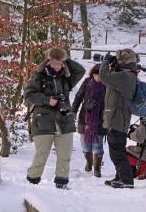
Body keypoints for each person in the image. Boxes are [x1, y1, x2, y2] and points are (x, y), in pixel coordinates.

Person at [25, 47, 85, 189]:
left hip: (64, 121)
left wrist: (65, 58)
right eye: (54, 63)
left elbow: (81, 70)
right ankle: (32, 184)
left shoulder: (67, 78)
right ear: (48, 62)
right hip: (43, 122)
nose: (57, 66)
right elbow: (28, 95)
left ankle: (61, 183)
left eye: (60, 63)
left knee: (64, 156)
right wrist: (47, 100)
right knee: (41, 156)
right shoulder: (39, 76)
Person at [99, 48, 138, 189]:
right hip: (117, 117)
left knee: (117, 151)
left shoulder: (124, 76)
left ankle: (126, 180)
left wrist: (105, 62)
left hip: (117, 118)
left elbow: (103, 76)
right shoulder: (127, 75)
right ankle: (120, 176)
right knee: (117, 149)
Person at [71, 64, 106, 177]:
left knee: (98, 145)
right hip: (85, 119)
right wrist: (73, 111)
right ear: (92, 74)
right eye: (96, 75)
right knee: (85, 145)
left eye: (100, 75)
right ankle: (89, 161)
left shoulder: (108, 85)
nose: (98, 77)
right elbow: (78, 97)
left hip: (100, 120)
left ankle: (97, 168)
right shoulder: (87, 83)